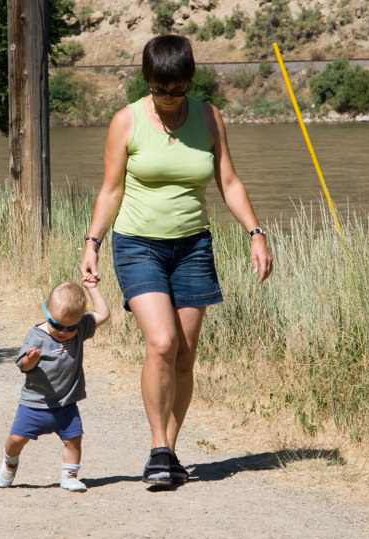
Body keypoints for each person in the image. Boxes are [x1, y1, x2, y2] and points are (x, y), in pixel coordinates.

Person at [79, 35, 272, 487]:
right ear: (148, 81)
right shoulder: (126, 121)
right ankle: (157, 448)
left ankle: (170, 448)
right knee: (162, 343)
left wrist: (255, 233)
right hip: (137, 245)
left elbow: (229, 180)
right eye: (160, 89)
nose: (168, 98)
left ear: (189, 81)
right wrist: (93, 242)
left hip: (192, 247)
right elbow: (111, 189)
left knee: (185, 356)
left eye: (177, 89)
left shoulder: (208, 117)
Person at [0, 280, 110, 492]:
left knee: (74, 440)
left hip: (66, 404)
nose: (63, 332)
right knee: (16, 439)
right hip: (34, 404)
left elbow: (103, 314)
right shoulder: (36, 336)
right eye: (56, 325)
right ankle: (9, 462)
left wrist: (92, 288)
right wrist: (31, 360)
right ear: (46, 312)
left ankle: (69, 476)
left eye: (70, 328)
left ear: (79, 322)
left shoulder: (81, 328)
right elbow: (23, 367)